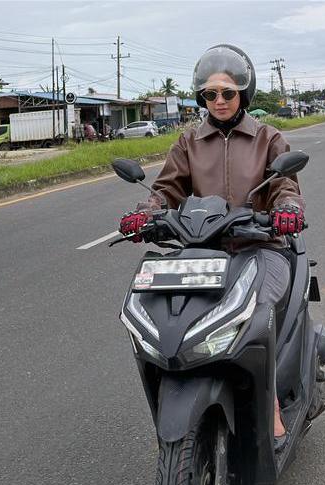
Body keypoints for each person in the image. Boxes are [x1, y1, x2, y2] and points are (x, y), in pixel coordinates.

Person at [118, 44, 304, 449]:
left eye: (228, 93)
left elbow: (285, 187)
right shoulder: (188, 141)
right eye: (210, 95)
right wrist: (144, 214)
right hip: (202, 250)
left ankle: (268, 401)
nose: (218, 101)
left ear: (243, 94)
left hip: (260, 247)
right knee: (170, 312)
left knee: (259, 312)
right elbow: (166, 189)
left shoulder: (267, 137)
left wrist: (287, 210)